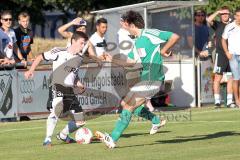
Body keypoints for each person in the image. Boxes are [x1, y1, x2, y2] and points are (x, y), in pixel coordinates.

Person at [95, 10, 180, 148]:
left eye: (124, 24)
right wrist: (112, 60)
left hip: (154, 79)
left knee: (128, 105)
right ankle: (156, 120)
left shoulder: (150, 34)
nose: (122, 26)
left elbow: (174, 36)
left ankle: (112, 138)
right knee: (126, 104)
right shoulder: (137, 42)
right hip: (145, 79)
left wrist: (164, 50)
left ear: (130, 24)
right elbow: (130, 62)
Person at [24, 31, 88, 147]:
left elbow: (74, 75)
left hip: (69, 90)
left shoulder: (79, 59)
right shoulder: (59, 51)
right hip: (56, 85)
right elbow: (40, 57)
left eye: (84, 44)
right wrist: (31, 70)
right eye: (81, 43)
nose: (83, 46)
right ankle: (47, 139)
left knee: (80, 121)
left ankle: (63, 135)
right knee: (56, 111)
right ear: (73, 41)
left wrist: (79, 84)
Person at [207, 6, 235, 108]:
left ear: (229, 14)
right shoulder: (217, 24)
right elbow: (209, 20)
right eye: (223, 14)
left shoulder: (233, 25)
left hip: (231, 54)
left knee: (231, 78)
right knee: (218, 78)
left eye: (226, 13)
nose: (224, 15)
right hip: (221, 54)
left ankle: (229, 101)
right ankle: (217, 101)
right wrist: (218, 11)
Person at [222, 8, 240, 108]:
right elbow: (223, 40)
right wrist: (226, 52)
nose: (239, 18)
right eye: (237, 15)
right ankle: (237, 101)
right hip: (233, 56)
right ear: (234, 16)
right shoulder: (230, 26)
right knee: (236, 79)